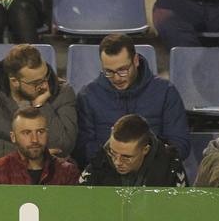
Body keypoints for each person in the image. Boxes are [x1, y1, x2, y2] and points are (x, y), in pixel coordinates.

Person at [0, 43, 78, 177]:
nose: (44, 85)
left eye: (45, 77)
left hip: (48, 174)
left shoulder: (62, 91)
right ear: (14, 81)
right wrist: (37, 154)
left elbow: (63, 146)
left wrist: (41, 106)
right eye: (35, 83)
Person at [75, 33, 191, 163]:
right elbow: (82, 149)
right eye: (109, 71)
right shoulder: (88, 95)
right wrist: (117, 160)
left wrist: (141, 158)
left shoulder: (165, 91)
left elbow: (180, 145)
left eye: (123, 70)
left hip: (154, 172)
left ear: (135, 60)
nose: (117, 78)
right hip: (106, 173)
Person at [0, 106, 82, 185]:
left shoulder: (67, 172)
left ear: (47, 133)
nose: (34, 140)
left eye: (40, 132)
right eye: (26, 133)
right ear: (13, 137)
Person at [79, 112, 188, 186]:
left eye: (126, 157)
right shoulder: (98, 165)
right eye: (113, 153)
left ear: (145, 150)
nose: (117, 162)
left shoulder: (170, 167)